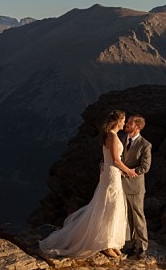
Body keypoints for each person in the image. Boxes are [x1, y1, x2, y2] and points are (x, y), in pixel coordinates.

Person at [39, 110, 138, 260]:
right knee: (110, 205)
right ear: (118, 121)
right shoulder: (111, 135)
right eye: (123, 120)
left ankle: (110, 241)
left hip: (112, 172)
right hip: (112, 173)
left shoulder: (111, 135)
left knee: (111, 204)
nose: (124, 123)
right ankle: (105, 243)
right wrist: (128, 171)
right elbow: (115, 159)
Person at [120, 114, 152, 258]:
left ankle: (142, 247)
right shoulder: (121, 139)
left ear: (137, 126)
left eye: (130, 123)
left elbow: (145, 166)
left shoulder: (145, 144)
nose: (127, 124)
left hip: (135, 186)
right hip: (120, 186)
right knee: (126, 217)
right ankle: (129, 244)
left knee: (138, 216)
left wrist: (130, 172)